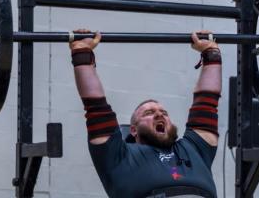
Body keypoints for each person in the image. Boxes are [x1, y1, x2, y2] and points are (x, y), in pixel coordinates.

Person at [69, 29, 222, 198]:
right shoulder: (119, 156)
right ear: (133, 130)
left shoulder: (193, 148)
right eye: (149, 113)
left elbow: (208, 100)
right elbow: (95, 106)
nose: (159, 115)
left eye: (164, 112)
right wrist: (82, 52)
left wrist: (211, 53)